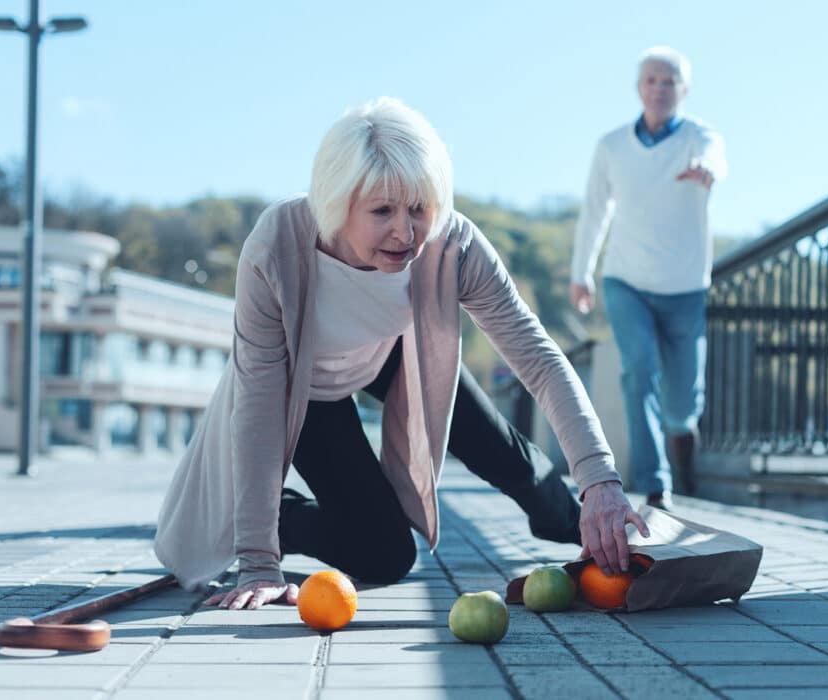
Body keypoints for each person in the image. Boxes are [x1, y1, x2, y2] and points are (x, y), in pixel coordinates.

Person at [154, 97, 648, 610]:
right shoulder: (277, 245)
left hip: (393, 352)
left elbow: (540, 361)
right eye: (382, 211)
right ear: (337, 202)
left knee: (510, 458)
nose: (406, 232)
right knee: (384, 556)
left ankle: (597, 533)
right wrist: (259, 559)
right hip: (304, 386)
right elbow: (257, 402)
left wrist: (600, 482)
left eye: (418, 208)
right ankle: (280, 517)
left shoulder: (452, 243)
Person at [570, 46, 727, 511]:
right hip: (626, 281)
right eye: (652, 80)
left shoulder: (701, 137)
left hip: (684, 286)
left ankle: (684, 443)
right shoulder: (612, 146)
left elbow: (717, 159)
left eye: (670, 81)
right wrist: (582, 273)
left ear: (684, 90)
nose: (660, 88)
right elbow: (594, 213)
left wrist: (708, 171)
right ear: (640, 88)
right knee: (637, 373)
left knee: (682, 403)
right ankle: (656, 486)